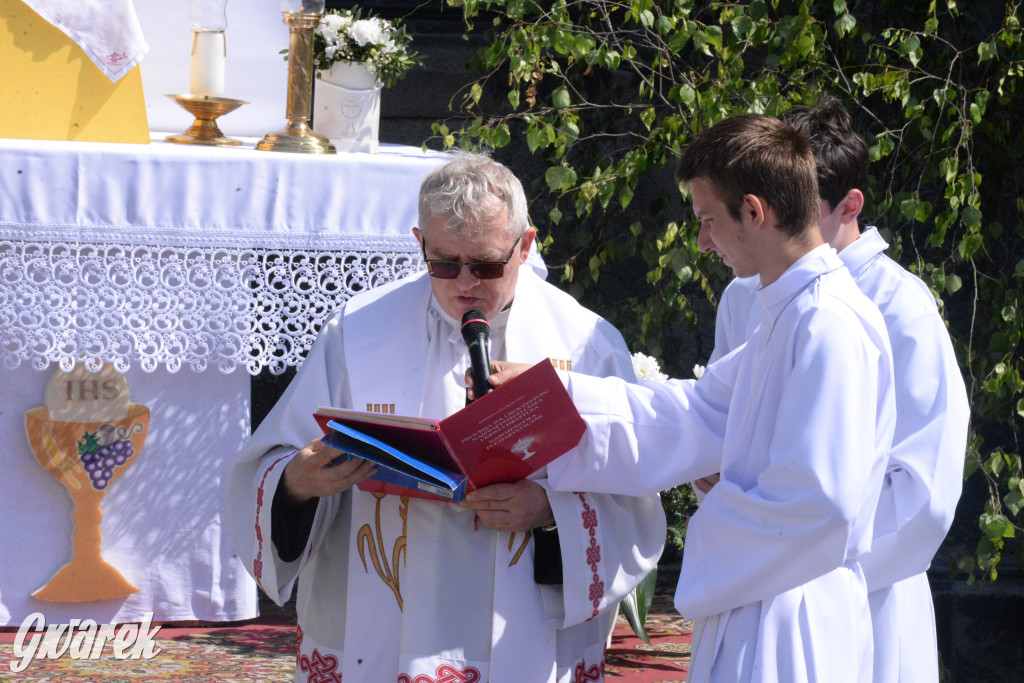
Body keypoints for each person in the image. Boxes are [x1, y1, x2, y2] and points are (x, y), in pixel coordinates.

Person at [483, 114, 897, 682]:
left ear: (753, 212)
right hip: (760, 596)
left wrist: (703, 536)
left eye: (707, 220)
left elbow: (821, 504)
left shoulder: (828, 323)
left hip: (796, 616)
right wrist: (552, 398)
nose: (703, 241)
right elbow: (691, 415)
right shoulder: (789, 311)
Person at [225, 152, 665, 683]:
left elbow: (634, 496)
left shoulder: (584, 342)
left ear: (524, 246)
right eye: (443, 263)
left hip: (519, 622)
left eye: (484, 264)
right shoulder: (358, 331)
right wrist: (297, 481)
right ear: (419, 244)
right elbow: (271, 464)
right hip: (384, 617)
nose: (464, 284)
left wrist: (550, 509)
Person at [698, 99, 970, 682]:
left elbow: (925, 493)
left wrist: (810, 554)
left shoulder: (902, 307)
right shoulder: (745, 296)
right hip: (756, 582)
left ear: (850, 206)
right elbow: (722, 424)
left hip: (862, 595)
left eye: (802, 204)